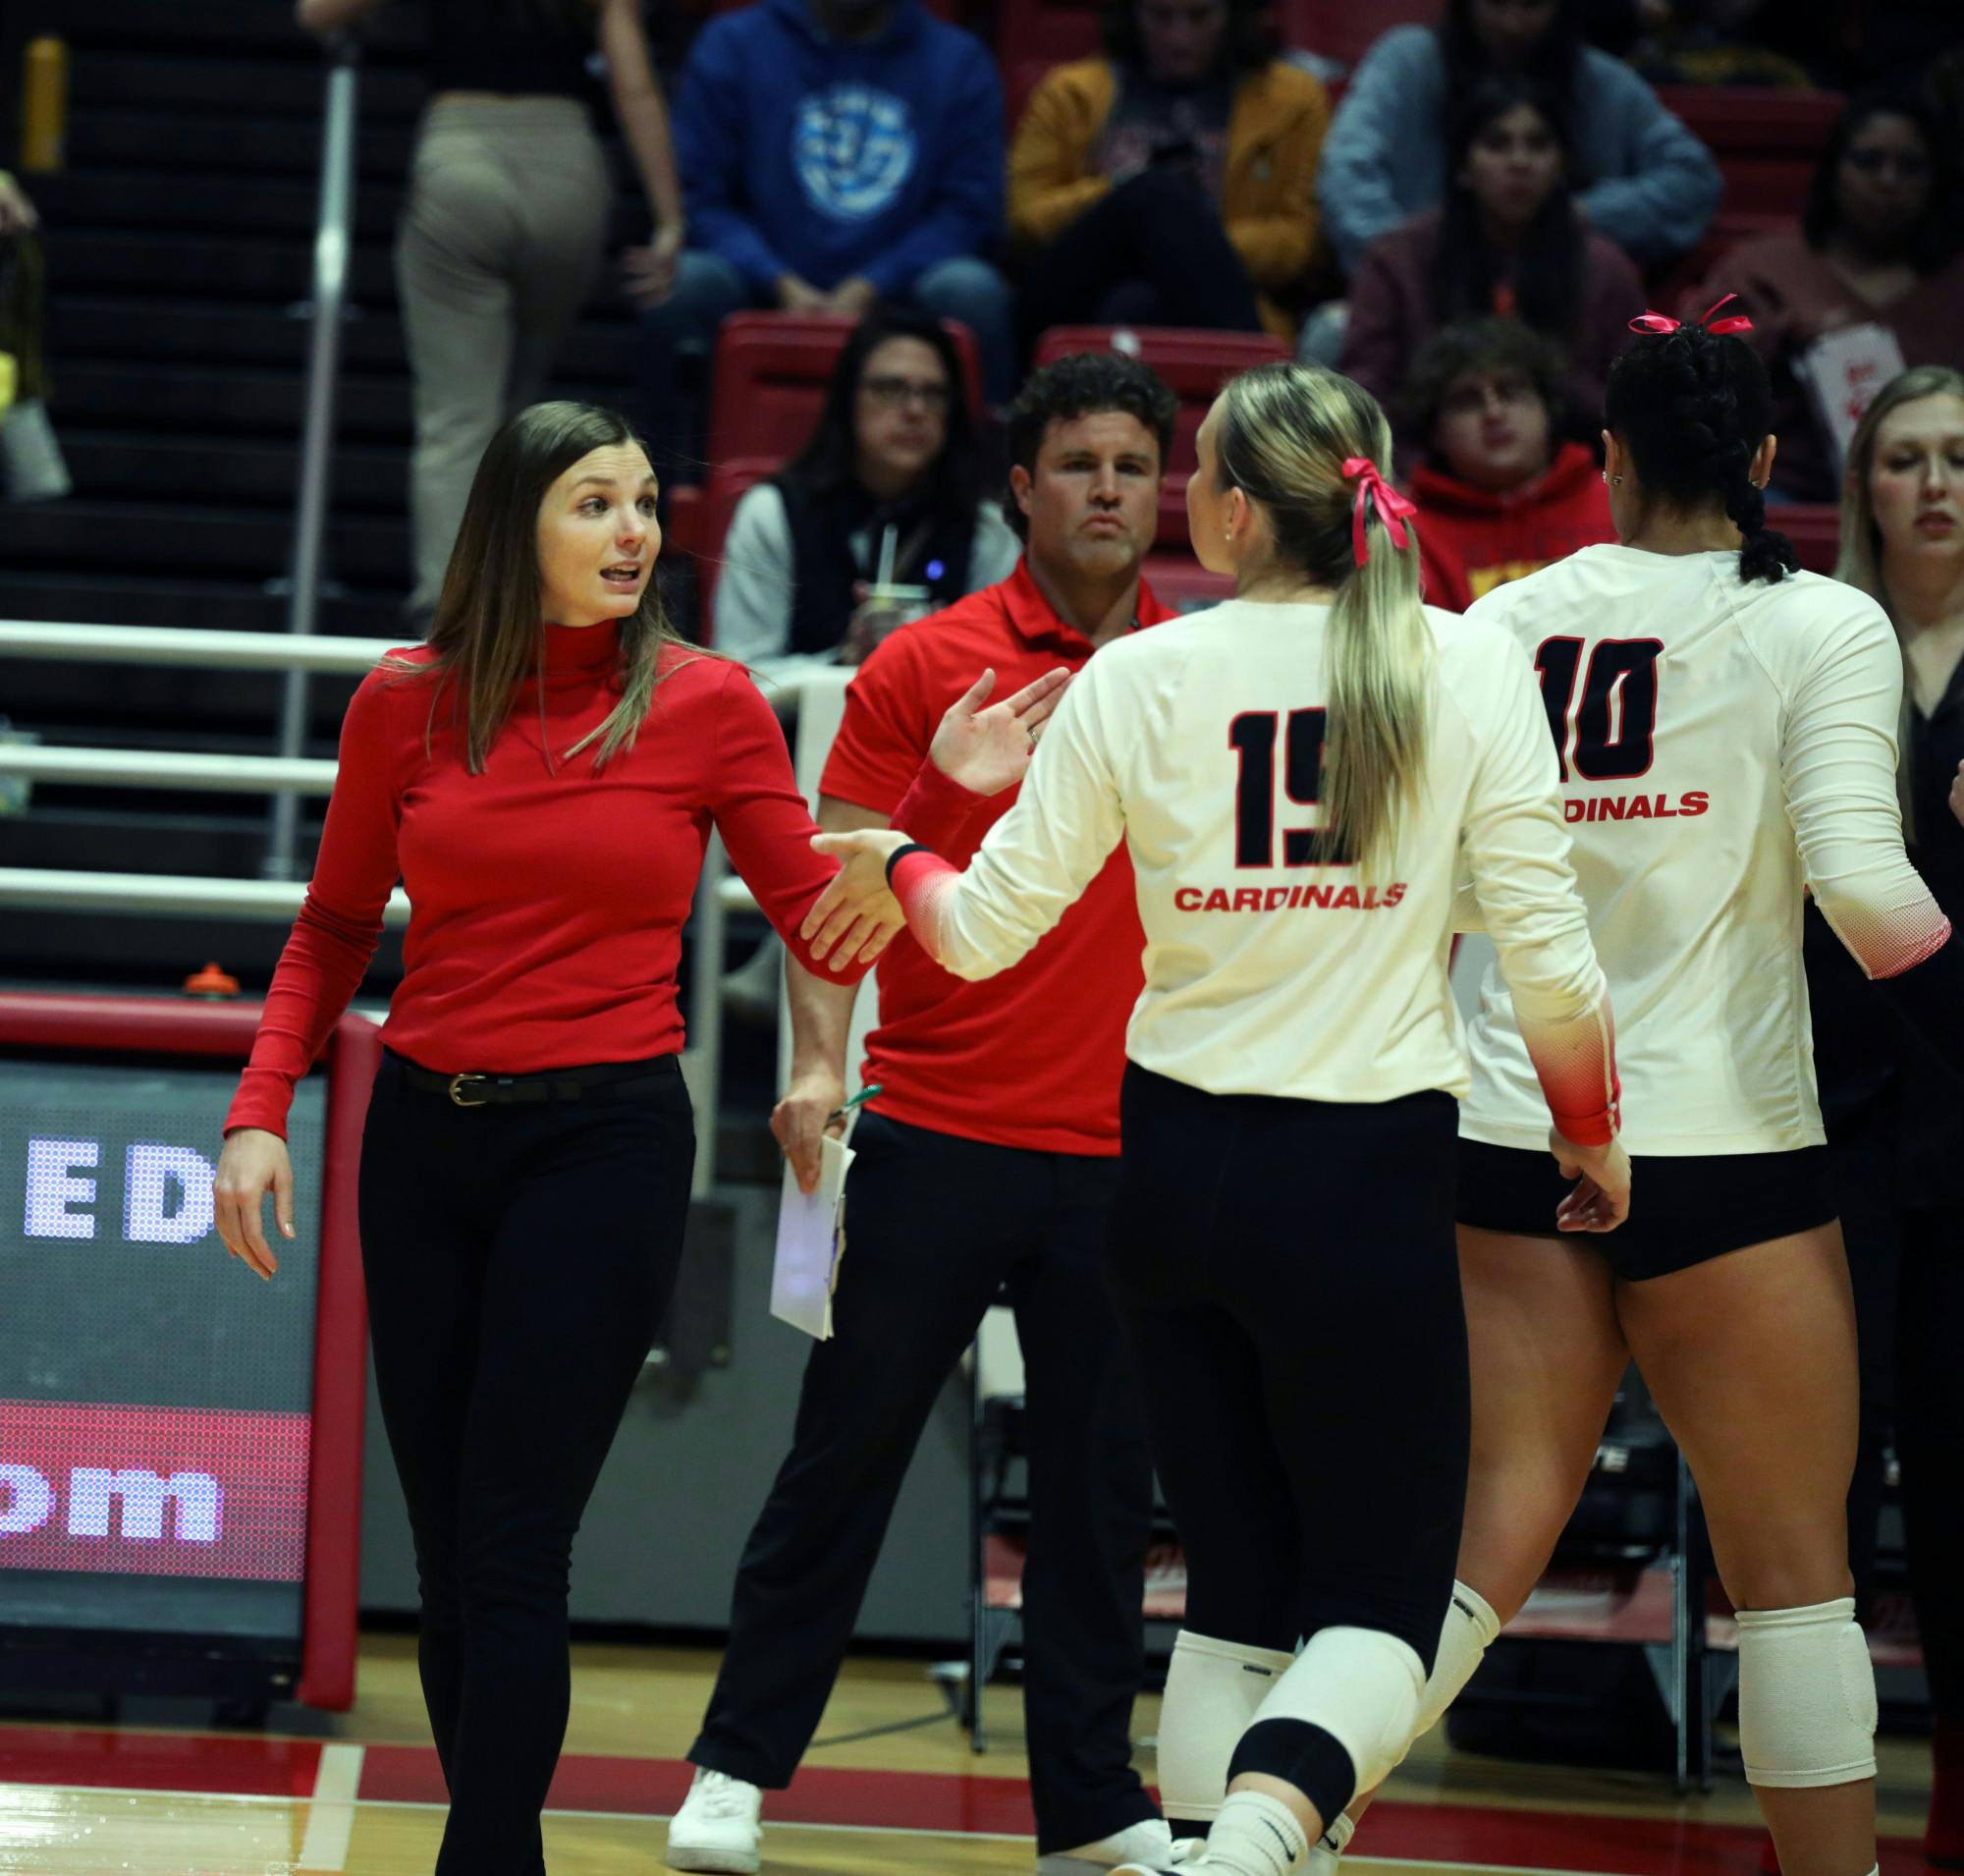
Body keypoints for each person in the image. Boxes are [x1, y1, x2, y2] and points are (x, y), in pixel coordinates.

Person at [800, 358, 1628, 1876]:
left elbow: (977, 930)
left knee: (1234, 1594)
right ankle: (1248, 1841)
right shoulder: (1464, 665)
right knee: (1377, 1606)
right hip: (1362, 1182)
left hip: (1168, 1177)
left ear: (1236, 511)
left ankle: (1213, 1838)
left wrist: (901, 856)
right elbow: (1549, 958)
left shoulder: (1141, 675)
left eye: (1191, 474)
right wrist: (1592, 1127)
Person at [206, 401, 930, 1876]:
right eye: (595, 503)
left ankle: (487, 1858)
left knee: (516, 1537)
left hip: (601, 1146)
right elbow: (340, 922)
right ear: (515, 524)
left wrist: (929, 811)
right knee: (455, 1549)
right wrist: (257, 1109)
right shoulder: (402, 702)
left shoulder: (708, 701)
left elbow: (814, 916)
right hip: (421, 1141)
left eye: (647, 502)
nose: (634, 531)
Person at [1329, 314, 1964, 1876]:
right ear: (1765, 464)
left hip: (1512, 1125)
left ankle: (1282, 1817)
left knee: (1481, 1545)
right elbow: (1864, 891)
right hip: (1731, 1146)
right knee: (1797, 1579)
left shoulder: (1503, 616)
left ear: (1601, 457)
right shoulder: (1823, 619)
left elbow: (1435, 892)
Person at [666, 352, 1184, 1876]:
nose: (1106, 489)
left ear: (1166, 494)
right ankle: (732, 1773)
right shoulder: (922, 665)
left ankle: (1092, 1808)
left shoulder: (1192, 674)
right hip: (938, 1126)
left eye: (1132, 467)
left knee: (1100, 1503)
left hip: (1125, 1145)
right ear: (1019, 488)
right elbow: (839, 889)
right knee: (840, 1465)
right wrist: (818, 1069)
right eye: (1078, 464)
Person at [298, 0, 685, 624]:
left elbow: (320, 12)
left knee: (458, 421)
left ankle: (450, 621)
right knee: (522, 413)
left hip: (461, 159)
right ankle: (525, 613)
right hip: (569, 174)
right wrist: (669, 218)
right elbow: (633, 81)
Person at [1810, 365, 1964, 1868]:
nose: (1934, 483)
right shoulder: (1819, 644)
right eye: (1906, 456)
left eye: (1959, 457)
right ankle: (1826, 1793)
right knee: (1829, 1480)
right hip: (1836, 1118)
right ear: (1864, 483)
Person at [635, 0, 1015, 485]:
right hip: (764, 284)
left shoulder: (959, 62)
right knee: (684, 286)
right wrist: (778, 280)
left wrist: (871, 285)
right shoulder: (734, 44)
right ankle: (664, 502)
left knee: (973, 292)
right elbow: (701, 197)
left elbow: (968, 211)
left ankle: (976, 508)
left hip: (901, 294)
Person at [714, 308, 1022, 690]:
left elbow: (1007, 680)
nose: (915, 410)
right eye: (890, 389)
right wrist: (842, 663)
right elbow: (739, 681)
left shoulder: (986, 529)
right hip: (798, 744)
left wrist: (935, 654)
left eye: (934, 394)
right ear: (848, 399)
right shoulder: (772, 513)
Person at [1691, 88, 1964, 502]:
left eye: (1910, 167)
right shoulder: (1764, 267)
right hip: (1780, 487)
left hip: (1932, 490)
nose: (1888, 181)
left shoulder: (1953, 284)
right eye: (1869, 162)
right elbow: (1691, 371)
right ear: (1834, 170)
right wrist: (1785, 335)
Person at [1317, 0, 1720, 279]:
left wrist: (1575, 217)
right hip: (1423, 291)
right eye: (1497, 3)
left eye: (1531, 5)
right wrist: (1406, 266)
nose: (1512, 24)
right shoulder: (1408, 61)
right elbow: (1346, 174)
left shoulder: (1601, 82)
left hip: (1564, 296)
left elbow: (1693, 179)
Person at [1008, 0, 1329, 346]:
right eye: (1160, 16)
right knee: (1156, 194)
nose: (1179, 37)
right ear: (1133, 15)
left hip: (1211, 296)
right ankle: (1259, 387)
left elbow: (1300, 243)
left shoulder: (1293, 100)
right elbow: (1025, 219)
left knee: (1138, 302)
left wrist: (1184, 241)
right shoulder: (1071, 92)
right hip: (1074, 291)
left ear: (1232, 16)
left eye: (1199, 16)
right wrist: (1122, 193)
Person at [1339, 74, 1641, 425]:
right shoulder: (1395, 261)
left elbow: (1630, 412)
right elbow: (1369, 400)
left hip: (1575, 466)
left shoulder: (1604, 269)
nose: (1519, 162)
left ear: (1560, 165)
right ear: (1463, 168)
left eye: (1538, 144)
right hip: (1421, 468)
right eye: (1497, 144)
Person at [1400, 319, 1617, 613]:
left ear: (1548, 410)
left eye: (1511, 391)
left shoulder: (1617, 501)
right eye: (1468, 401)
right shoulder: (1408, 533)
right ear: (1436, 431)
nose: (1493, 412)